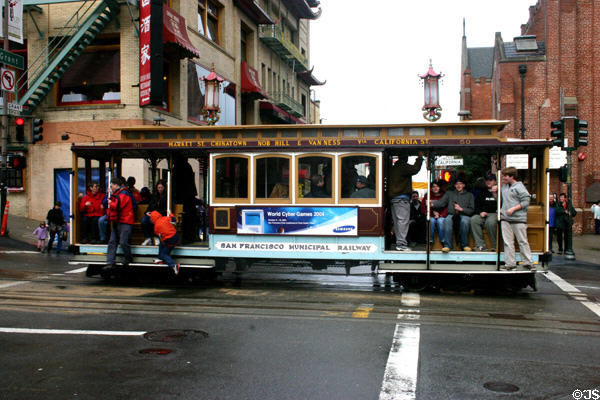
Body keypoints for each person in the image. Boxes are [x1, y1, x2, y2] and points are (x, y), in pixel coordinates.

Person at [388, 151, 424, 251]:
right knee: (403, 222)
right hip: (402, 198)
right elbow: (415, 169)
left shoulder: (394, 167)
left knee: (397, 222)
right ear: (406, 158)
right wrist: (420, 157)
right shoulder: (403, 166)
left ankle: (399, 243)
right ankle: (401, 244)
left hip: (394, 198)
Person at [499, 167, 534, 270]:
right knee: (508, 242)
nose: (503, 178)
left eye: (505, 176)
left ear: (512, 176)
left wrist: (513, 209)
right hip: (506, 219)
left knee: (522, 241)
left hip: (518, 219)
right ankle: (510, 264)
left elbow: (526, 202)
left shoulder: (519, 187)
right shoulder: (505, 187)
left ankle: (528, 262)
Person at [431, 177, 474, 252]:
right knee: (447, 220)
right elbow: (441, 203)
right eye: (457, 184)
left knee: (465, 222)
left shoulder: (469, 195)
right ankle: (448, 246)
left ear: (464, 185)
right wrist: (432, 204)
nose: (458, 185)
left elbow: (471, 210)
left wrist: (461, 209)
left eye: (460, 184)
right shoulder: (449, 193)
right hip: (452, 214)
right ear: (454, 185)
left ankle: (465, 245)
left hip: (464, 215)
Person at [104, 177, 135, 272]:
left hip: (125, 221)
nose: (111, 187)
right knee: (112, 241)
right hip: (118, 221)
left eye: (111, 185)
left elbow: (118, 205)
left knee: (123, 242)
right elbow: (107, 203)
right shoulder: (117, 194)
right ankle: (110, 262)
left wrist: (110, 202)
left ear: (116, 185)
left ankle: (128, 257)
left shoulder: (124, 193)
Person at [470, 174, 498, 251]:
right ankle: (480, 246)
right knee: (474, 220)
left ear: (495, 181)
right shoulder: (482, 192)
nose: (488, 182)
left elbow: (502, 204)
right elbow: (477, 205)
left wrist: (495, 193)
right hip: (483, 214)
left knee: (491, 222)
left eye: (491, 180)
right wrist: (480, 212)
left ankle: (495, 246)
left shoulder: (500, 192)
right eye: (487, 180)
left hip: (494, 213)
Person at [150, 210, 180, 275]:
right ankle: (160, 258)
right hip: (176, 236)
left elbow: (160, 236)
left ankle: (173, 265)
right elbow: (174, 220)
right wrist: (170, 214)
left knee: (164, 254)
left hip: (170, 239)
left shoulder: (156, 227)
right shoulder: (165, 218)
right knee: (162, 244)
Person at [420, 180, 447, 248]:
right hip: (431, 215)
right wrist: (431, 213)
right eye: (433, 187)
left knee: (440, 221)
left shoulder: (444, 195)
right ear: (431, 188)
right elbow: (423, 207)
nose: (435, 188)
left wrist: (440, 215)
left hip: (442, 216)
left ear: (440, 187)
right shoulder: (428, 195)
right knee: (431, 221)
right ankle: (430, 242)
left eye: (437, 186)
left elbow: (447, 207)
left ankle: (443, 241)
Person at [141, 180, 168, 245]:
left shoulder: (167, 197)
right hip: (152, 214)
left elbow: (166, 209)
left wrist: (156, 213)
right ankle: (148, 238)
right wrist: (147, 212)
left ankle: (156, 237)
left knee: (151, 221)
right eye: (159, 188)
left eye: (161, 187)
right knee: (144, 220)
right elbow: (149, 206)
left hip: (161, 215)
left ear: (164, 188)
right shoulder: (154, 196)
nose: (160, 189)